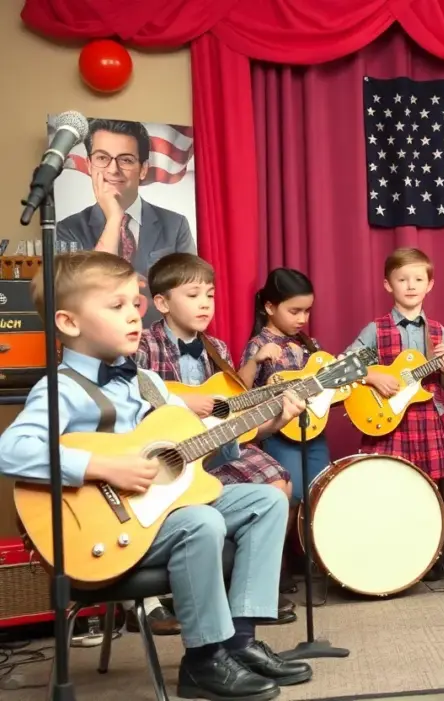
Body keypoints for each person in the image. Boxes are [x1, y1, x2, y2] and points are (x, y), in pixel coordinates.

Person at [0, 251, 312, 700]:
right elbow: (12, 449)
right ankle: (203, 661)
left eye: (135, 304)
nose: (132, 316)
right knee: (200, 522)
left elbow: (194, 441)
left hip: (159, 509)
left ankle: (239, 642)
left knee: (266, 500)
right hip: (102, 531)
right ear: (69, 323)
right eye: (116, 306)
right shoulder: (63, 388)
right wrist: (103, 465)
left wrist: (269, 422)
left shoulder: (147, 381)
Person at [137, 252, 299, 626]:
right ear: (161, 302)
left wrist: (275, 421)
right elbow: (129, 394)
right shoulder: (145, 344)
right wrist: (181, 402)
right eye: (193, 294)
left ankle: (240, 599)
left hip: (214, 448)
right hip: (162, 455)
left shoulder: (219, 350)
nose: (205, 303)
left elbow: (232, 423)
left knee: (278, 483)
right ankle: (157, 599)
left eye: (209, 294)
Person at [346, 247, 444, 580]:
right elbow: (343, 366)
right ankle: (388, 550)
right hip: (389, 422)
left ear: (430, 284)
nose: (411, 285)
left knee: (430, 488)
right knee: (387, 486)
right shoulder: (375, 329)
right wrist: (371, 375)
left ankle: (429, 553)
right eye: (402, 279)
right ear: (387, 285)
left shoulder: (439, 332)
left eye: (418, 279)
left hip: (426, 420)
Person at [56, 118, 196, 327]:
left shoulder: (175, 225)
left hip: (158, 347)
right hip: (98, 344)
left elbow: (190, 295)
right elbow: (83, 295)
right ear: (88, 165)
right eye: (102, 158)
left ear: (142, 169)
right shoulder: (68, 230)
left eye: (126, 160)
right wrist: (114, 218)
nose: (113, 169)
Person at [239, 268, 329, 503]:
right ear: (270, 307)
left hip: (313, 429)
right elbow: (239, 391)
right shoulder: (258, 344)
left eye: (307, 311)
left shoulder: (309, 345)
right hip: (278, 434)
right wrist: (255, 360)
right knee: (293, 496)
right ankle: (284, 541)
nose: (302, 319)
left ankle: (308, 542)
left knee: (320, 493)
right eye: (294, 311)